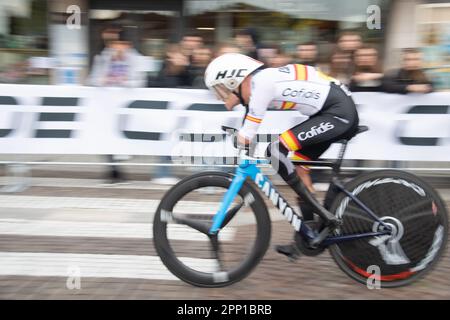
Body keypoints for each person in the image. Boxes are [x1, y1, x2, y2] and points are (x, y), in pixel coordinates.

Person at [204, 53, 359, 257]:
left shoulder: (262, 83)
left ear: (235, 79)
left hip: (338, 113)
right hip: (330, 111)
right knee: (299, 169)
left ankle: (326, 217)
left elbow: (248, 131)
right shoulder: (259, 82)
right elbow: (242, 117)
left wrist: (240, 137)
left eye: (222, 88)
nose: (221, 95)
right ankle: (310, 233)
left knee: (275, 151)